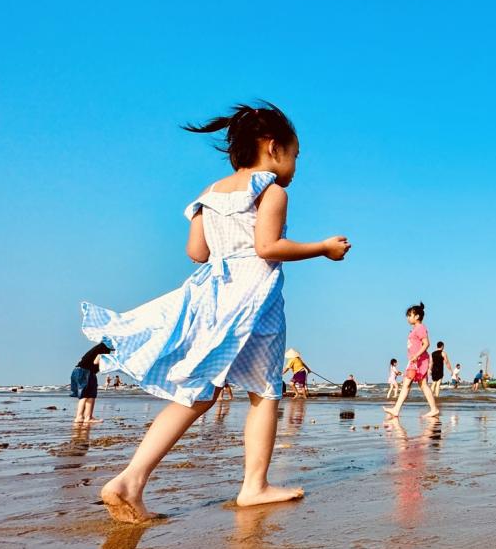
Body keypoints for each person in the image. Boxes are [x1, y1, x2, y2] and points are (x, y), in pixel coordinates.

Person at [82, 102, 351, 523]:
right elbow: (267, 247)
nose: (296, 166)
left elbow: (197, 252)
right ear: (274, 147)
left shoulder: (209, 194)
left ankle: (131, 479)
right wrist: (323, 248)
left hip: (213, 296)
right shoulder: (271, 191)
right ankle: (254, 486)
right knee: (264, 391)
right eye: (295, 155)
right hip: (255, 300)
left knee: (198, 393)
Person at [383, 303, 440, 418]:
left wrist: (416, 356)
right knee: (419, 385)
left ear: (417, 316)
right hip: (414, 361)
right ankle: (433, 409)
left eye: (410, 315)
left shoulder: (420, 328)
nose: (408, 318)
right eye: (407, 315)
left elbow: (426, 343)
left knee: (408, 384)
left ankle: (396, 410)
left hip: (419, 361)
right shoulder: (415, 329)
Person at [70, 342, 112, 424]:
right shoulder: (104, 349)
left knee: (84, 395)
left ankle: (80, 417)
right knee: (90, 395)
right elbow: (96, 361)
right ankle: (87, 417)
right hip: (86, 372)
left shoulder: (96, 349)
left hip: (77, 371)